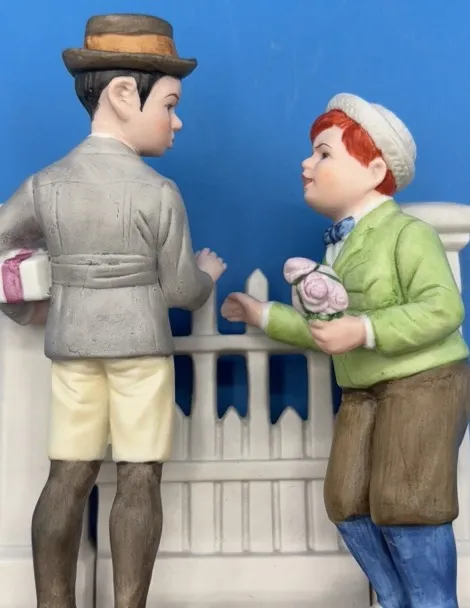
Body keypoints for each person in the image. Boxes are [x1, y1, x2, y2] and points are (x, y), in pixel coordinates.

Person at [0, 13, 226, 608]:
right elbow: (180, 291)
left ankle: (52, 603)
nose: (176, 121)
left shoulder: (46, 184)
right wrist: (208, 276)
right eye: (170, 105)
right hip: (141, 352)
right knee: (140, 475)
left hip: (72, 347)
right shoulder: (158, 192)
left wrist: (30, 309)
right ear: (125, 94)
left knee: (66, 475)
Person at [221, 92, 469, 608]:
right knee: (347, 499)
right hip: (362, 388)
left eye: (324, 153)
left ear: (374, 169)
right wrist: (262, 314)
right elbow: (325, 329)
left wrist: (365, 330)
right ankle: (397, 599)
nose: (306, 164)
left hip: (423, 384)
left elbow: (444, 309)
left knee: (408, 504)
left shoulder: (407, 234)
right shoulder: (339, 246)